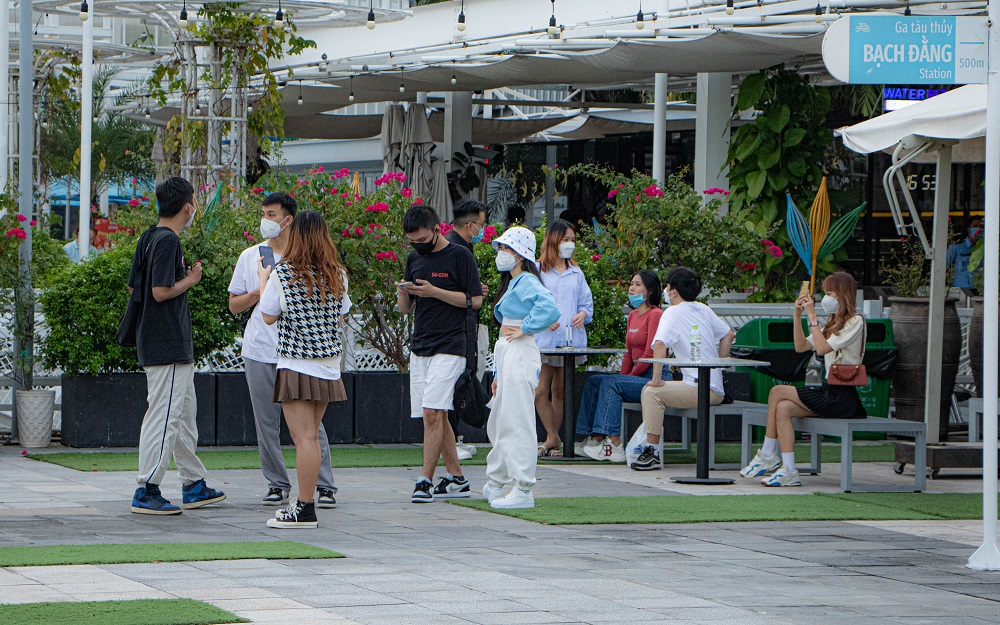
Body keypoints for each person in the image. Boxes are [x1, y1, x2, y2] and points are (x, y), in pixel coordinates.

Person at [227, 192, 339, 508]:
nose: (266, 220)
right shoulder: (251, 256)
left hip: (299, 355)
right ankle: (277, 483)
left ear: (289, 220)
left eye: (272, 214)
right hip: (260, 350)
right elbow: (235, 305)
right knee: (267, 422)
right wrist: (259, 291)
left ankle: (324, 484)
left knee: (310, 427)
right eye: (263, 213)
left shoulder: (306, 258)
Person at [129, 176, 225, 515]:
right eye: (195, 200)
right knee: (166, 414)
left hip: (163, 341)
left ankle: (193, 483)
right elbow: (160, 291)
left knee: (183, 414)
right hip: (166, 341)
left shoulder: (150, 237)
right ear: (188, 206)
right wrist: (191, 279)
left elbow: (136, 289)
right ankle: (147, 487)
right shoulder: (168, 240)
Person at [257, 210, 351, 528]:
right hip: (327, 367)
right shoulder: (338, 274)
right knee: (311, 437)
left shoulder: (284, 274)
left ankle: (304, 507)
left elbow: (268, 315)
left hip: (296, 365)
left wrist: (263, 280)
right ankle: (305, 503)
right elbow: (340, 317)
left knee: (304, 439)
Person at [740, 271, 867, 487]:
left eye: (829, 293)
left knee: (777, 391)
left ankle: (768, 453)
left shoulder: (855, 321)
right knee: (783, 408)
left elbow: (822, 347)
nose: (825, 298)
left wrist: (813, 317)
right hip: (828, 392)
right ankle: (789, 469)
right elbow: (801, 347)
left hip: (842, 397)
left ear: (842, 294)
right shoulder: (832, 323)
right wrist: (797, 315)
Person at [396, 205, 483, 503]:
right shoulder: (414, 258)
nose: (418, 246)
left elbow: (476, 300)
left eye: (422, 240)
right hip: (421, 345)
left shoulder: (460, 256)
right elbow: (405, 310)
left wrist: (435, 292)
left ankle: (425, 480)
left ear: (436, 230)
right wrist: (403, 292)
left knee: (432, 412)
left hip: (452, 344)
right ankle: (457, 478)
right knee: (435, 412)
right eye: (412, 242)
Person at [483, 227, 560, 509]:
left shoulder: (526, 281)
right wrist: (498, 373)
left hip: (518, 350)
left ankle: (523, 488)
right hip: (509, 353)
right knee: (504, 419)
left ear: (519, 254)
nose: (501, 254)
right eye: (501, 248)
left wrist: (525, 328)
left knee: (517, 420)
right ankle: (497, 481)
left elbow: (550, 309)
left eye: (506, 248)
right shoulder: (516, 282)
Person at [631, 267, 734, 471]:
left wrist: (657, 379)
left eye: (667, 286)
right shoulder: (702, 308)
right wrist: (719, 366)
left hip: (701, 389)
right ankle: (651, 446)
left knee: (652, 392)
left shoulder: (672, 312)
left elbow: (660, 345)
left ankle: (652, 451)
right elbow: (728, 334)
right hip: (713, 387)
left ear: (673, 291)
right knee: (648, 391)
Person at [576, 270, 663, 462]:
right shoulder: (633, 315)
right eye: (631, 283)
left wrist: (627, 378)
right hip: (635, 373)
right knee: (594, 381)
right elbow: (629, 352)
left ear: (649, 291)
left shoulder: (655, 314)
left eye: (638, 284)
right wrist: (623, 377)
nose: (632, 288)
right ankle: (591, 437)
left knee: (612, 383)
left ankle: (614, 443)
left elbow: (650, 353)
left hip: (651, 375)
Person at [533, 219, 594, 457]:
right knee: (540, 391)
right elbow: (530, 304)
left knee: (561, 391)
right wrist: (543, 320)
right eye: (566, 239)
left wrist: (582, 314)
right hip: (544, 340)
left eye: (573, 240)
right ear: (554, 240)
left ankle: (551, 440)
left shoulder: (576, 273)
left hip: (569, 340)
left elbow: (586, 304)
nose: (569, 244)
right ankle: (554, 437)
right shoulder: (537, 271)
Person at [446, 199, 490, 461]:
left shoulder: (462, 248)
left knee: (463, 381)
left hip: (466, 324)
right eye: (481, 225)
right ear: (470, 224)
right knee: (457, 383)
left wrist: (475, 288)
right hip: (458, 327)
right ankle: (450, 440)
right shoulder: (455, 249)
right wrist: (473, 292)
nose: (482, 230)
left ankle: (455, 437)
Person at [947, 217, 983, 297]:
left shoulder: (986, 249)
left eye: (981, 226)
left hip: (981, 290)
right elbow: (945, 270)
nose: (978, 228)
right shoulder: (955, 248)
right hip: (960, 291)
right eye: (975, 226)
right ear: (968, 229)